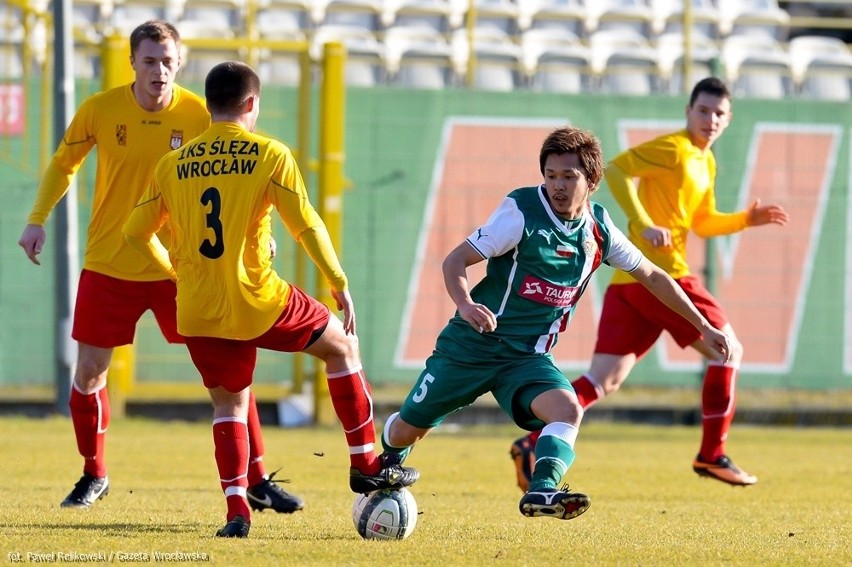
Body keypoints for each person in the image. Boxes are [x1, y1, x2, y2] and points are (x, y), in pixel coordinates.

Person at [123, 60, 419, 538]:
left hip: (198, 308)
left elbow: (135, 233)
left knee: (229, 408)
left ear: (208, 105)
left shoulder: (171, 164)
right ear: (252, 104)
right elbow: (304, 225)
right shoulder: (270, 154)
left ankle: (237, 513)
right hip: (259, 300)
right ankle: (365, 462)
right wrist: (338, 280)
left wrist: (176, 271)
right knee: (341, 347)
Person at [18, 20, 303, 514]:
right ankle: (94, 471)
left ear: (180, 63)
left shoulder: (199, 113)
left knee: (229, 380)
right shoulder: (101, 110)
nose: (159, 71)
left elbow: (247, 176)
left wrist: (269, 236)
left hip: (183, 270)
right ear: (133, 63)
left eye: (168, 61)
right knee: (88, 373)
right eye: (150, 61)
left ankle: (256, 480)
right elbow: (65, 163)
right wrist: (37, 219)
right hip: (110, 260)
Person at [377, 126, 732, 521]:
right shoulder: (521, 211)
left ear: (592, 181)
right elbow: (455, 260)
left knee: (567, 409)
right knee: (407, 429)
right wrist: (465, 303)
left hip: (527, 359)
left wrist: (705, 326)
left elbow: (653, 276)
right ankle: (386, 460)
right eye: (551, 175)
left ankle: (542, 490)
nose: (558, 186)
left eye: (569, 176)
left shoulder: (598, 228)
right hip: (472, 346)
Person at [509, 77, 790, 491]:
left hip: (629, 283)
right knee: (728, 351)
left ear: (729, 120)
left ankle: (534, 442)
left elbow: (703, 221)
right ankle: (712, 454)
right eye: (703, 110)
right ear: (688, 112)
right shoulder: (674, 148)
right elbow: (618, 168)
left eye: (719, 113)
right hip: (662, 276)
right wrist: (641, 223)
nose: (710, 119)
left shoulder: (704, 161)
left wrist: (745, 220)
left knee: (605, 379)